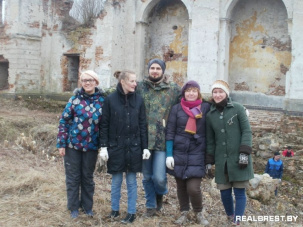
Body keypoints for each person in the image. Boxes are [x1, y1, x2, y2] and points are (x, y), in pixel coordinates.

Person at [99, 70, 148, 224]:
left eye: (135, 81)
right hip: (116, 147)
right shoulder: (110, 100)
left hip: (134, 147)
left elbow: (142, 125)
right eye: (132, 81)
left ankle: (131, 212)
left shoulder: (139, 100)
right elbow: (104, 125)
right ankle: (114, 210)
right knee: (116, 181)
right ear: (123, 82)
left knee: (132, 181)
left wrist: (145, 147)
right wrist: (104, 147)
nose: (135, 84)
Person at [57, 70, 104, 219]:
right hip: (73, 145)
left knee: (87, 178)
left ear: (96, 82)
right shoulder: (74, 100)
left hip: (92, 146)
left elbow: (106, 124)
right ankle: (73, 208)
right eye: (84, 80)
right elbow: (64, 121)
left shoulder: (102, 101)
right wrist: (61, 143)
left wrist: (104, 146)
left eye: (90, 80)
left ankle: (87, 207)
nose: (87, 83)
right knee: (73, 177)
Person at [136, 58, 181, 217]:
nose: (154, 71)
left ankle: (160, 194)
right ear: (148, 70)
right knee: (147, 176)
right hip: (144, 141)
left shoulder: (173, 89)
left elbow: (191, 101)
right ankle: (150, 206)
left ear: (163, 71)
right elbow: (121, 92)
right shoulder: (140, 87)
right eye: (152, 68)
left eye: (158, 68)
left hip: (163, 140)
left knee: (160, 177)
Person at [206, 80, 254, 225]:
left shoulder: (238, 109)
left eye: (221, 92)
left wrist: (244, 152)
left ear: (226, 93)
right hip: (222, 160)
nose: (218, 95)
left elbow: (247, 131)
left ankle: (237, 220)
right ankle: (230, 215)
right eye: (215, 92)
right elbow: (210, 140)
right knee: (225, 192)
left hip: (239, 158)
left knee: (239, 192)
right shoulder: (210, 115)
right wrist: (209, 160)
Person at [165, 80, 210, 225]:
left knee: (193, 188)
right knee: (181, 187)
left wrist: (240, 108)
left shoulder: (206, 107)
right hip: (179, 153)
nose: (191, 93)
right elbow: (170, 132)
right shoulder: (177, 109)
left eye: (194, 90)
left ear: (198, 93)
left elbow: (222, 101)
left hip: (197, 153)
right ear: (184, 93)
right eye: (188, 90)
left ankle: (199, 212)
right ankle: (184, 212)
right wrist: (169, 154)